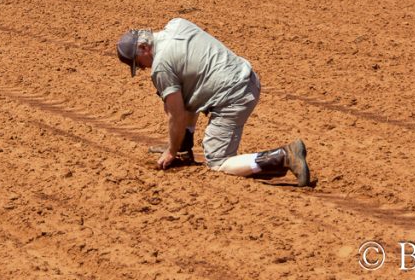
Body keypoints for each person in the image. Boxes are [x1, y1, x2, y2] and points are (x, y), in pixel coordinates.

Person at [116, 18, 311, 185]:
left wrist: (170, 151)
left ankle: (284, 156)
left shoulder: (161, 67)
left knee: (218, 162)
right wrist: (179, 148)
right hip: (247, 77)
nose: (142, 69)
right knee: (188, 90)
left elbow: (176, 114)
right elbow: (187, 94)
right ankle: (184, 148)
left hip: (234, 97)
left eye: (138, 63)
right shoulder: (177, 23)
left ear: (143, 48)